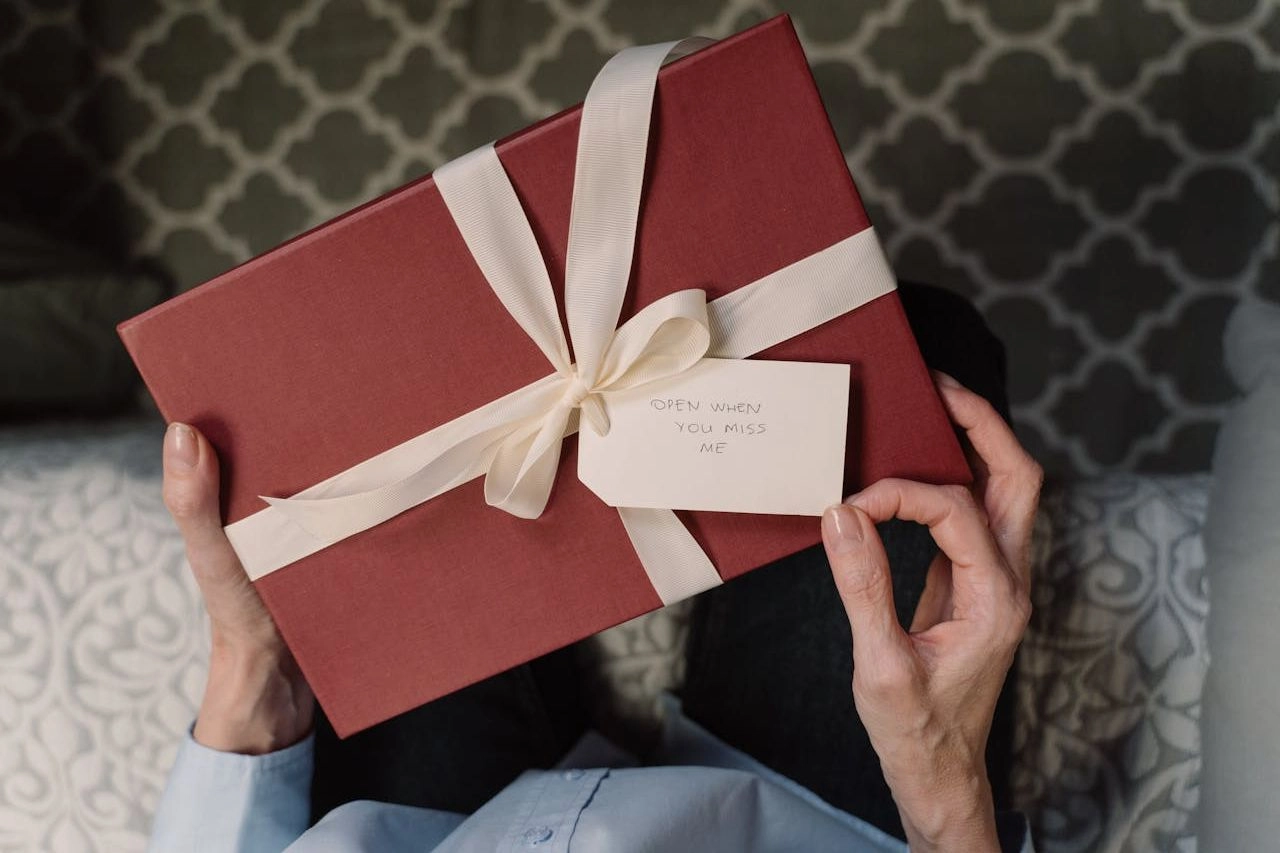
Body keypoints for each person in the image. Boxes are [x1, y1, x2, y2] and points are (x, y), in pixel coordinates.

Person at [148, 284, 1041, 852]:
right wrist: (943, 794)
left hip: (432, 832)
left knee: (415, 377)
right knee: (907, 355)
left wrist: (251, 680)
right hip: (809, 825)